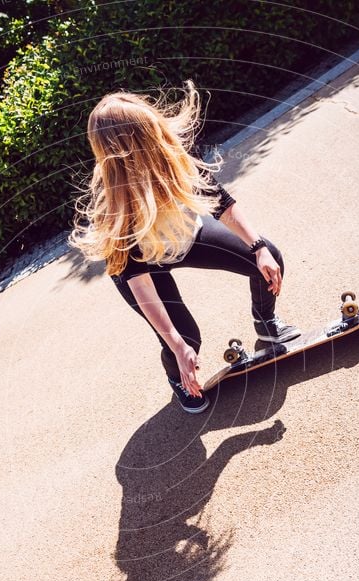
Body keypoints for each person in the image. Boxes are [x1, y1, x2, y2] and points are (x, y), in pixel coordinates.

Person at [68, 79, 301, 413]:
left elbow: (220, 202)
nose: (159, 140)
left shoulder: (172, 151)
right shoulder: (118, 206)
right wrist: (177, 345)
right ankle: (178, 376)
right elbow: (139, 281)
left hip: (185, 237)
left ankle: (267, 327)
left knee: (267, 255)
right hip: (142, 269)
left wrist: (258, 245)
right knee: (185, 337)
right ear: (126, 149)